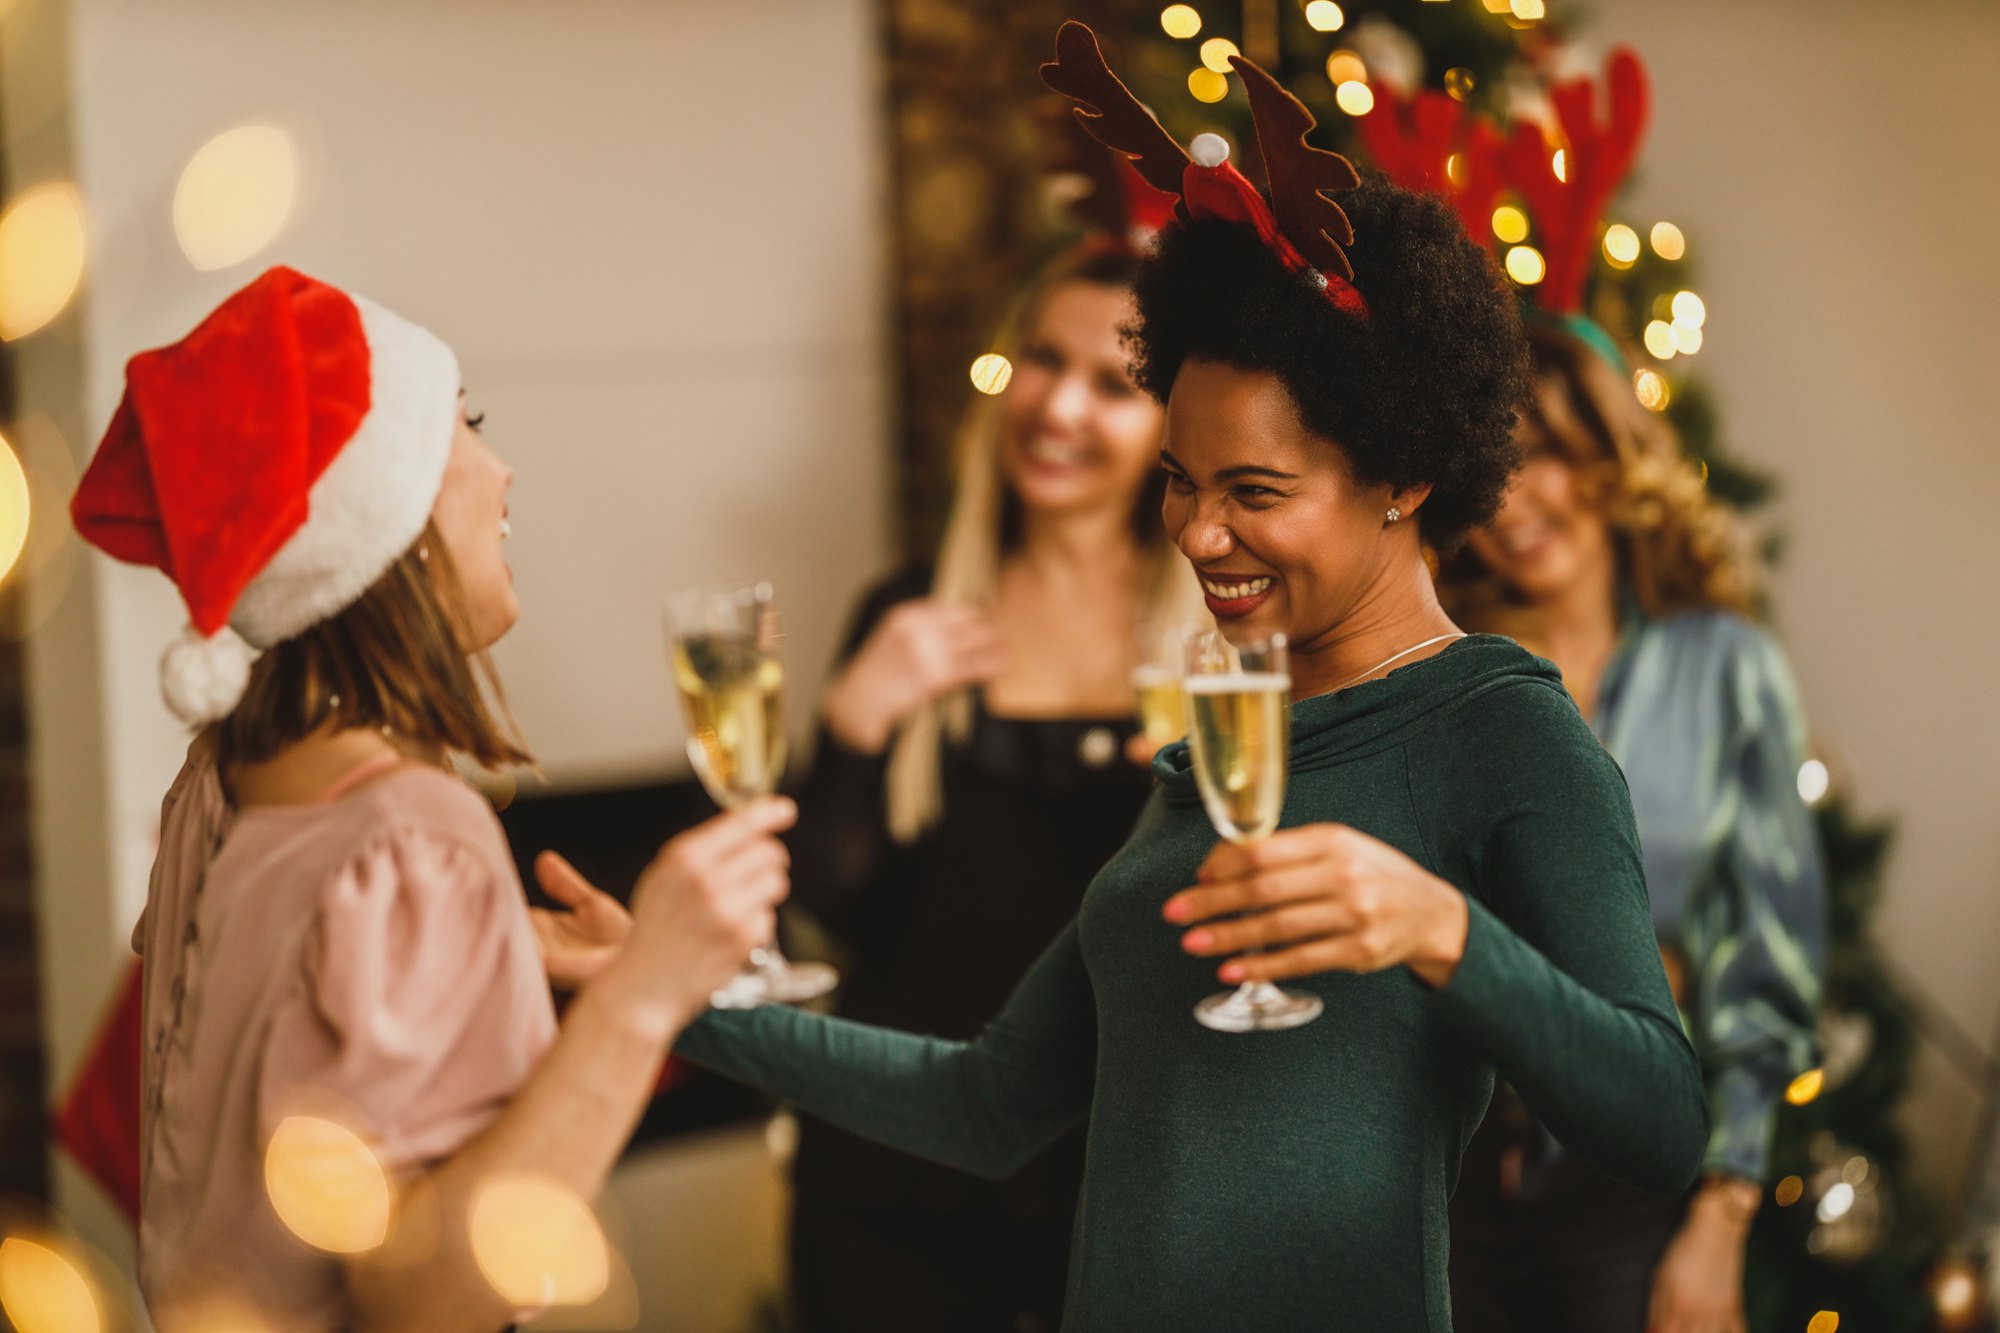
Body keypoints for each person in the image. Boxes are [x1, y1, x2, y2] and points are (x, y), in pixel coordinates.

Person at [532, 27, 1708, 1330]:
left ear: (1406, 478)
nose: (1201, 535)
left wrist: (1441, 931)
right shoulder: (1223, 746)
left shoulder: (1502, 732)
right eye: (1183, 482)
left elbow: (1660, 1115)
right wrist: (662, 994)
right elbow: (985, 1103)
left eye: (1255, 492)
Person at [69, 266, 795, 1333]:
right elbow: (429, 1297)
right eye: (467, 424)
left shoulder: (217, 782)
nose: (502, 472)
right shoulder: (413, 832)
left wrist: (499, 951)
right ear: (385, 511)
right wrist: (644, 993)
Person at [779, 235, 1205, 1332]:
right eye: (1039, 361)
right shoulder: (907, 612)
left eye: (1113, 386)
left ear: (1172, 426)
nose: (1058, 408)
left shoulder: (1218, 645)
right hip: (891, 1173)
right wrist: (853, 722)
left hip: (1121, 1176)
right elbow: (813, 903)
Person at [1438, 324, 1826, 1333]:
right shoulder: (1444, 672)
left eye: (1545, 455)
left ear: (1606, 460)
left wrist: (1722, 1217)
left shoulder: (1725, 667)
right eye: (1489, 469)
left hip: (1634, 1185)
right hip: (1443, 1172)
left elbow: (1765, 962)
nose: (1515, 501)